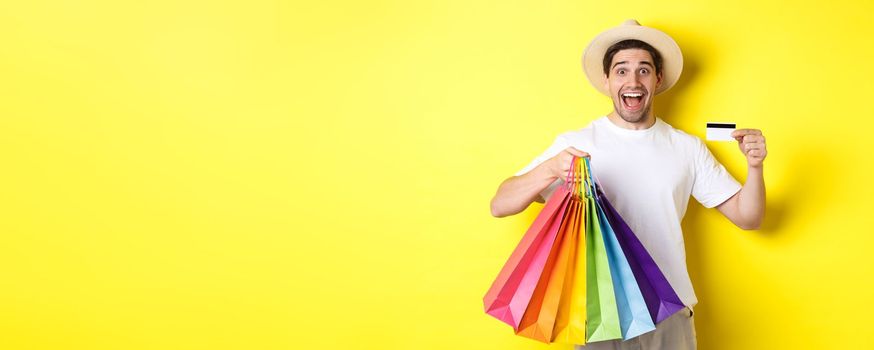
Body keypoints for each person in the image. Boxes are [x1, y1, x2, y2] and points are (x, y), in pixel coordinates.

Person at [489, 19, 767, 350]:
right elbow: (500, 204)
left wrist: (755, 167)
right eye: (621, 71)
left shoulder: (686, 147)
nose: (632, 80)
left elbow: (748, 218)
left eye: (643, 70)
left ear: (658, 79)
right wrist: (550, 168)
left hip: (669, 315)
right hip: (600, 316)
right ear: (607, 80)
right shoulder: (576, 143)